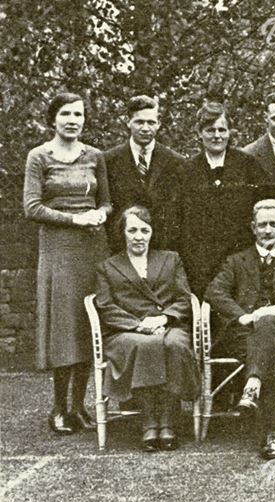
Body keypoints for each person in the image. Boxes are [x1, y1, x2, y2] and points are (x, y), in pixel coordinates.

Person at [24, 92, 112, 435]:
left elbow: (107, 202)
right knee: (65, 326)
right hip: (59, 250)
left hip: (93, 247)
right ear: (53, 119)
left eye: (78, 114)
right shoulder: (39, 157)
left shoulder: (95, 156)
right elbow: (32, 207)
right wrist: (75, 220)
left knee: (89, 324)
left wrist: (99, 215)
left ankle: (79, 406)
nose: (72, 120)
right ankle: (58, 408)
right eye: (65, 114)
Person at [94, 206, 200, 451]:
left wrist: (163, 318)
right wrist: (138, 325)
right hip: (126, 331)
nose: (138, 236)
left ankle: (168, 421)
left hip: (167, 324)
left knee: (175, 343)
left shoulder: (170, 258)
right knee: (146, 344)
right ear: (123, 233)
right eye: (132, 230)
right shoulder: (108, 266)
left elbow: (184, 299)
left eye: (144, 230)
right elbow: (105, 306)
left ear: (152, 232)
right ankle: (150, 422)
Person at [204, 199, 275, 460]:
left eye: (274, 224)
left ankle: (253, 383)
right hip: (244, 335)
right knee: (269, 348)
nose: (268, 230)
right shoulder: (237, 260)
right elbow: (214, 291)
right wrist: (243, 316)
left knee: (268, 325)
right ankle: (270, 436)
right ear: (253, 227)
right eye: (262, 225)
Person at [177, 102, 271, 296]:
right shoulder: (186, 171)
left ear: (230, 132)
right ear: (199, 133)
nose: (217, 136)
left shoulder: (248, 165)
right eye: (210, 130)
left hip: (241, 258)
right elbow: (178, 221)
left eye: (222, 129)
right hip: (200, 262)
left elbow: (267, 205)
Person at [104, 95, 186, 253]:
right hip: (121, 250)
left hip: (163, 250)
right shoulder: (109, 160)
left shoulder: (176, 162)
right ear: (128, 122)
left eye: (151, 122)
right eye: (139, 122)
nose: (145, 128)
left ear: (159, 124)